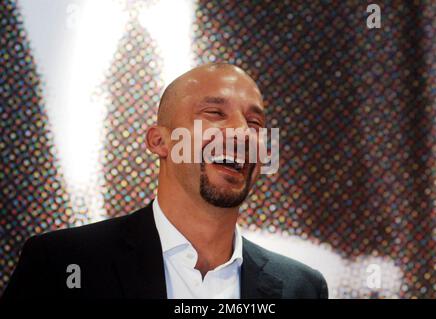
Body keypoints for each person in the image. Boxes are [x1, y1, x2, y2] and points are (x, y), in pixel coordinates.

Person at [3, 63, 328, 299]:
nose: (242, 133)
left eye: (255, 123)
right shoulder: (62, 263)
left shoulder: (302, 288)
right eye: (214, 113)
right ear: (160, 141)